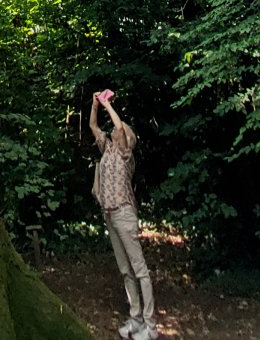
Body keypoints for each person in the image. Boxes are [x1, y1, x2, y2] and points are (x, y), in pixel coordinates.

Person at [89, 90, 157, 340]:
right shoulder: (107, 150)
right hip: (109, 215)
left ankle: (150, 326)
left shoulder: (125, 154)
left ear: (126, 137)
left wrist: (107, 104)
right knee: (125, 270)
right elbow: (93, 126)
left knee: (140, 270)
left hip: (124, 214)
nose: (116, 131)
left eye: (121, 131)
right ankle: (135, 319)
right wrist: (95, 105)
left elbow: (118, 126)